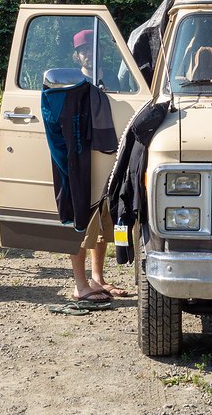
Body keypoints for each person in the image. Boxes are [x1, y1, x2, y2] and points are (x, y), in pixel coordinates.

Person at [68, 28, 130, 301]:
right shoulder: (73, 84)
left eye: (93, 48)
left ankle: (97, 279)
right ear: (76, 55)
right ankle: (79, 284)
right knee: (82, 221)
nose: (89, 54)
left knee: (104, 223)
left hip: (108, 159)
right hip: (84, 161)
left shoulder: (114, 82)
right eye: (84, 50)